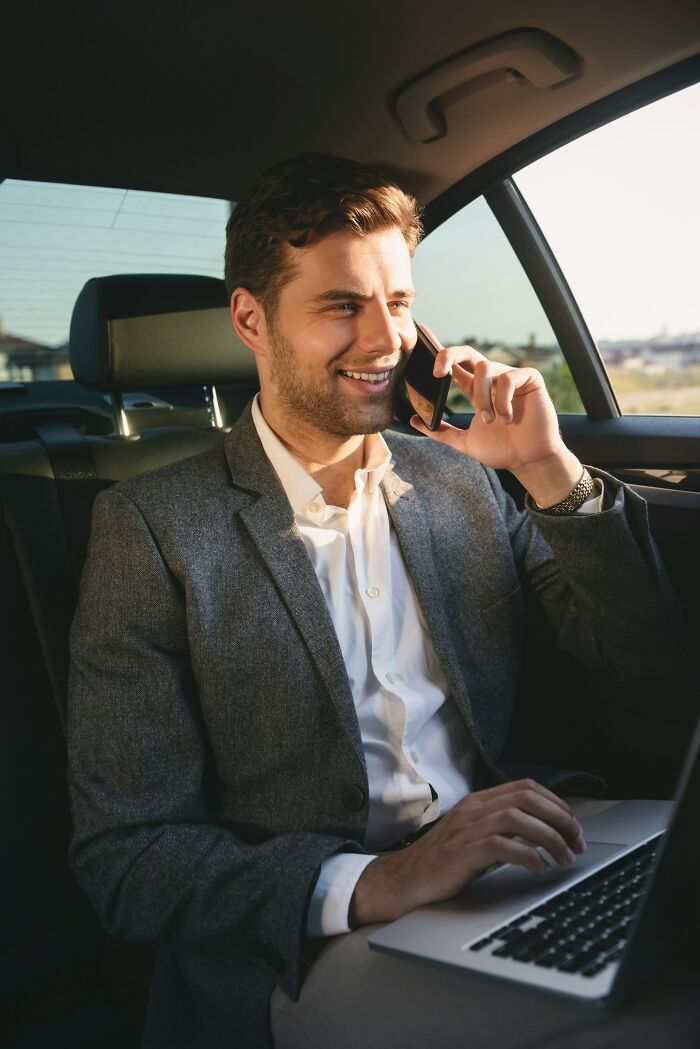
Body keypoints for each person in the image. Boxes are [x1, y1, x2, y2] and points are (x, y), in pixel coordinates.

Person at [67, 153, 688, 1049]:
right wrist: (378, 881)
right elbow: (125, 860)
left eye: (397, 303)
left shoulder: (463, 479)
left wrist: (548, 471)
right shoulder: (152, 529)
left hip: (528, 857)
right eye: (341, 306)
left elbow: (643, 652)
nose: (384, 340)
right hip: (317, 939)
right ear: (251, 318)